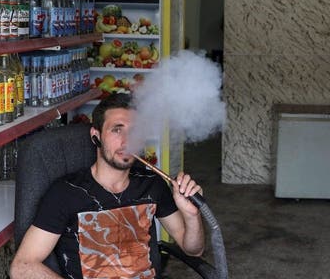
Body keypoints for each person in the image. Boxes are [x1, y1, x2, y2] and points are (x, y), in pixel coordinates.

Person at [10, 93, 205, 279]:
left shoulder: (152, 184)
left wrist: (192, 215)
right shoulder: (66, 193)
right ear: (96, 136)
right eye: (117, 129)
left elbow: (194, 250)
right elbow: (22, 267)